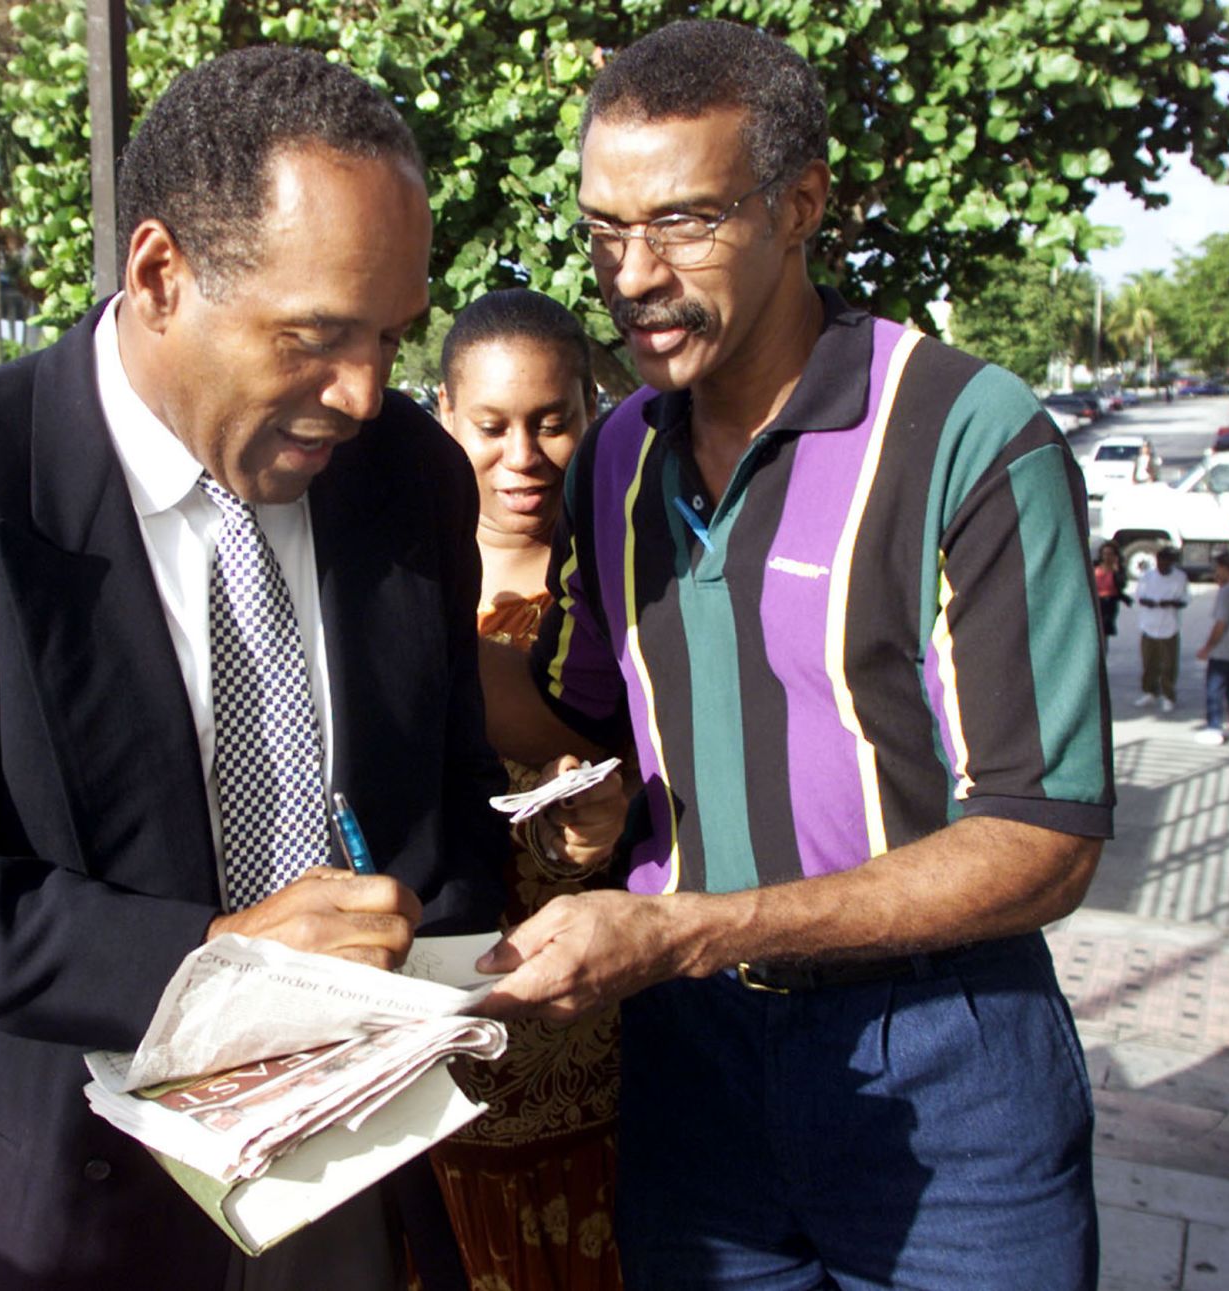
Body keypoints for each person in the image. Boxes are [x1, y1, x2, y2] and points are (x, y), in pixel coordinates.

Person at [0, 47, 513, 1291]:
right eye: (316, 336)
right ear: (160, 273)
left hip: (352, 1172)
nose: (361, 391)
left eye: (391, 335)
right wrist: (215, 959)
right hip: (59, 1200)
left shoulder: (413, 477)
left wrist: (473, 945)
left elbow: (444, 790)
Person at [472, 19, 1113, 1290]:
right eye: (604, 228)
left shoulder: (968, 436)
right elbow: (590, 740)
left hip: (943, 1069)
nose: (631, 274)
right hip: (690, 1078)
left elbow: (1045, 838)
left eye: (683, 222)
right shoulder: (618, 456)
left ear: (801, 204)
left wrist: (689, 930)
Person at [430, 288, 625, 1290]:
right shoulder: (382, 586)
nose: (524, 456)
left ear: (591, 414)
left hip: (587, 1049)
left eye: (552, 422)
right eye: (491, 425)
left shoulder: (625, 590)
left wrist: (601, 814)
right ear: (441, 416)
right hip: (422, 1055)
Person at [1193, 549, 1229, 744]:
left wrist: (1208, 647)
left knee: (1215, 687)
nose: (1216, 573)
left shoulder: (1226, 592)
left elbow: (1220, 624)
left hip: (1225, 647)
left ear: (1224, 568)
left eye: (1217, 569)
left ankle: (1214, 727)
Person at [1134, 545, 1191, 711]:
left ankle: (1168, 695)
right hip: (1149, 625)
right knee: (1149, 662)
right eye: (1160, 562)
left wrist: (1172, 603)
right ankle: (1150, 692)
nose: (1162, 565)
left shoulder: (1180, 577)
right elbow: (1139, 596)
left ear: (1171, 562)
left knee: (1168, 664)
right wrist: (1149, 602)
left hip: (1169, 626)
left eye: (1166, 562)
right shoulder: (1147, 576)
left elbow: (1185, 599)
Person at [1094, 540, 1130, 649]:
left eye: (1110, 554)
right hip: (1096, 602)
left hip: (1109, 603)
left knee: (1104, 631)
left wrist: (1116, 569)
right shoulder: (1095, 566)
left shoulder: (1117, 569)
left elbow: (1122, 584)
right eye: (1105, 554)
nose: (1107, 557)